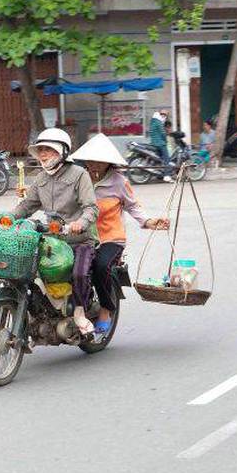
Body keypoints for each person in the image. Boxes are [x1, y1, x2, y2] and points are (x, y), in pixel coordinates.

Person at [71, 133, 169, 334]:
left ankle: (106, 310)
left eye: (100, 161)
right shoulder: (79, 177)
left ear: (108, 162)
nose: (94, 164)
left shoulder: (118, 181)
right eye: (91, 159)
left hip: (110, 238)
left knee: (100, 266)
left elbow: (133, 207)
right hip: (81, 236)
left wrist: (149, 222)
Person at [14, 128, 98, 334]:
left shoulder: (80, 174)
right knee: (27, 271)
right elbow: (26, 206)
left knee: (79, 274)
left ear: (62, 151)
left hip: (78, 239)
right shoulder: (40, 179)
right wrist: (7, 218)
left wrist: (80, 223)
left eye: (48, 149)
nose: (42, 154)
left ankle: (79, 311)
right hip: (52, 241)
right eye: (40, 149)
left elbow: (91, 207)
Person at [149, 109, 174, 183]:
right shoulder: (158, 122)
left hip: (154, 143)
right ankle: (167, 176)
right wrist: (165, 140)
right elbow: (163, 133)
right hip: (160, 143)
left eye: (165, 115)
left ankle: (159, 173)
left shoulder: (153, 121)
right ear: (161, 115)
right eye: (164, 115)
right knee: (167, 159)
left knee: (160, 158)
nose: (165, 116)